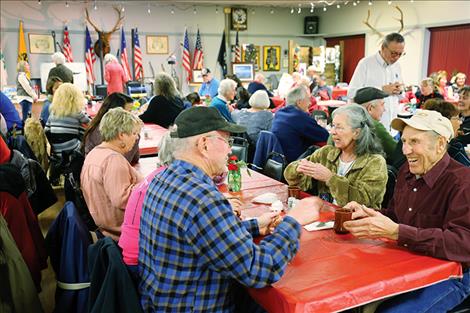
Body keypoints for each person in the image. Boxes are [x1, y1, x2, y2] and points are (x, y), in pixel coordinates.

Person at [138, 106, 323, 312]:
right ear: (204, 145)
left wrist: (254, 226)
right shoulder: (202, 197)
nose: (229, 149)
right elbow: (259, 270)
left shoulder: (162, 179)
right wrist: (293, 222)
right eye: (226, 141)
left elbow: (203, 235)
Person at [343, 109, 470, 312]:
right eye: (404, 141)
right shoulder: (407, 171)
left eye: (414, 142)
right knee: (349, 294)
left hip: (454, 275)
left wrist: (397, 232)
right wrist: (370, 213)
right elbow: (396, 217)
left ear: (439, 145)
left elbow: (463, 245)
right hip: (409, 264)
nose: (405, 150)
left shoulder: (463, 182)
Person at [284, 104, 387, 208]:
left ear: (357, 133)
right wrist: (298, 169)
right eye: (333, 126)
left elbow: (363, 201)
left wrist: (330, 178)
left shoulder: (375, 163)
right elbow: (297, 182)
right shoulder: (326, 153)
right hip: (325, 216)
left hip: (357, 221)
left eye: (339, 127)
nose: (333, 132)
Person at [81, 107, 143, 240]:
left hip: (104, 226)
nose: (136, 138)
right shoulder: (113, 160)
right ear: (121, 135)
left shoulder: (96, 153)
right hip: (120, 231)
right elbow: (123, 199)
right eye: (134, 133)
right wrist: (148, 185)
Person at [348, 32, 405, 136]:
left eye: (400, 54)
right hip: (372, 131)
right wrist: (381, 90)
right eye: (393, 53)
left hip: (393, 130)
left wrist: (400, 90)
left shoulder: (397, 66)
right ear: (383, 48)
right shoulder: (366, 63)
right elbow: (352, 93)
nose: (396, 57)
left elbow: (401, 97)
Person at [45, 83, 90, 183]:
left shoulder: (53, 112)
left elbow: (46, 130)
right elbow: (91, 123)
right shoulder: (76, 112)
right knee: (86, 136)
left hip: (56, 153)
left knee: (78, 130)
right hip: (72, 152)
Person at [271, 85, 329, 163]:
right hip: (295, 163)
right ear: (299, 102)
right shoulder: (299, 117)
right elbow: (324, 136)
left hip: (278, 158)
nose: (310, 103)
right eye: (308, 99)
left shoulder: (279, 113)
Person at [82, 92, 140, 164]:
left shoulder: (115, 129)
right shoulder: (101, 131)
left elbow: (135, 158)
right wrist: (135, 135)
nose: (132, 115)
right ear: (115, 112)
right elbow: (122, 161)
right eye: (128, 112)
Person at [354, 87, 398, 164]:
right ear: (370, 108)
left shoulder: (346, 120)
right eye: (382, 105)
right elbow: (396, 151)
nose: (384, 109)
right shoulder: (373, 125)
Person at [423, 99, 470, 166]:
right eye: (457, 118)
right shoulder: (454, 148)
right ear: (446, 122)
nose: (460, 122)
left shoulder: (427, 144)